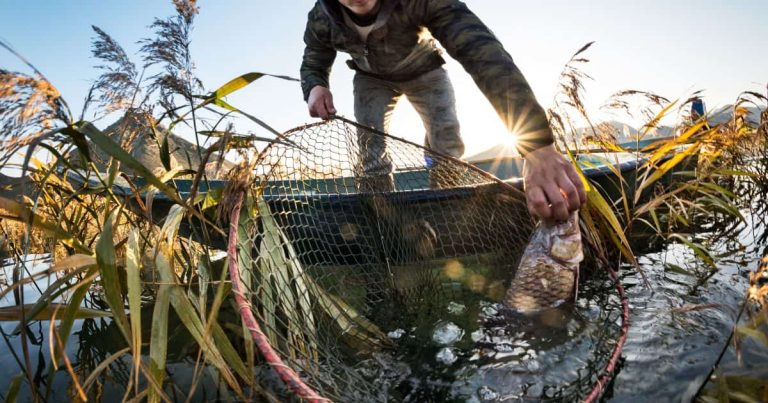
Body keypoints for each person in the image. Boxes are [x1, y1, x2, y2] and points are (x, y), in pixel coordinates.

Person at [300, 0, 586, 222]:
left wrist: (537, 146)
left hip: (425, 70)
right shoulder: (321, 17)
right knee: (370, 147)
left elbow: (481, 52)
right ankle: (381, 219)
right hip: (371, 79)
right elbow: (314, 60)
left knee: (446, 136)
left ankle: (446, 210)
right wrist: (315, 86)